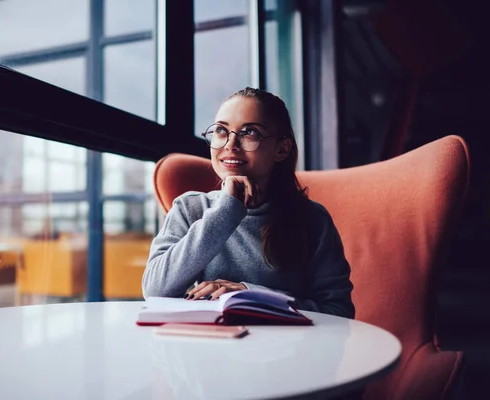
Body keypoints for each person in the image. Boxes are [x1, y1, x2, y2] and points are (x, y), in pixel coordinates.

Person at [142, 87, 355, 319]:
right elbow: (154, 291)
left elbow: (339, 312)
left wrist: (252, 295)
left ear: (281, 149)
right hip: (208, 349)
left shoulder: (313, 219)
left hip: (287, 350)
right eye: (222, 131)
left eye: (249, 132)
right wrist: (227, 210)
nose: (230, 144)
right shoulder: (190, 208)